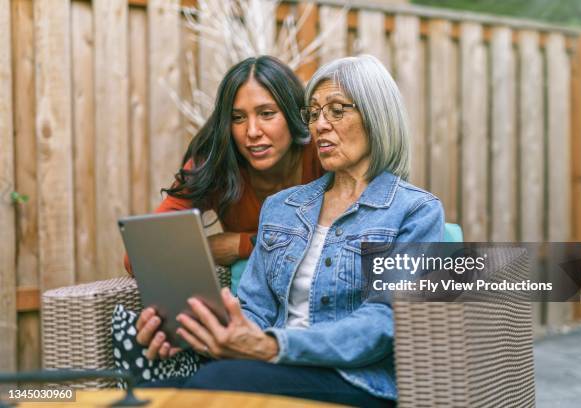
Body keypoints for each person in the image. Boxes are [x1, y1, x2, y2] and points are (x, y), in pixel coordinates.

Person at [136, 55, 445, 407]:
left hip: (359, 381)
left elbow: (384, 320)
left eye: (336, 110)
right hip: (275, 367)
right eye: (313, 114)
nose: (320, 125)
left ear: (376, 116)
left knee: (214, 384)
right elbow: (255, 309)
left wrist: (272, 345)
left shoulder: (415, 211)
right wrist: (204, 331)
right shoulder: (283, 207)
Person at [125, 56, 323, 273]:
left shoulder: (323, 151)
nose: (253, 132)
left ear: (294, 112)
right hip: (252, 300)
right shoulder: (217, 162)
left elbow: (361, 240)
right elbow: (138, 257)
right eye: (238, 118)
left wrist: (239, 244)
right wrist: (213, 249)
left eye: (267, 114)